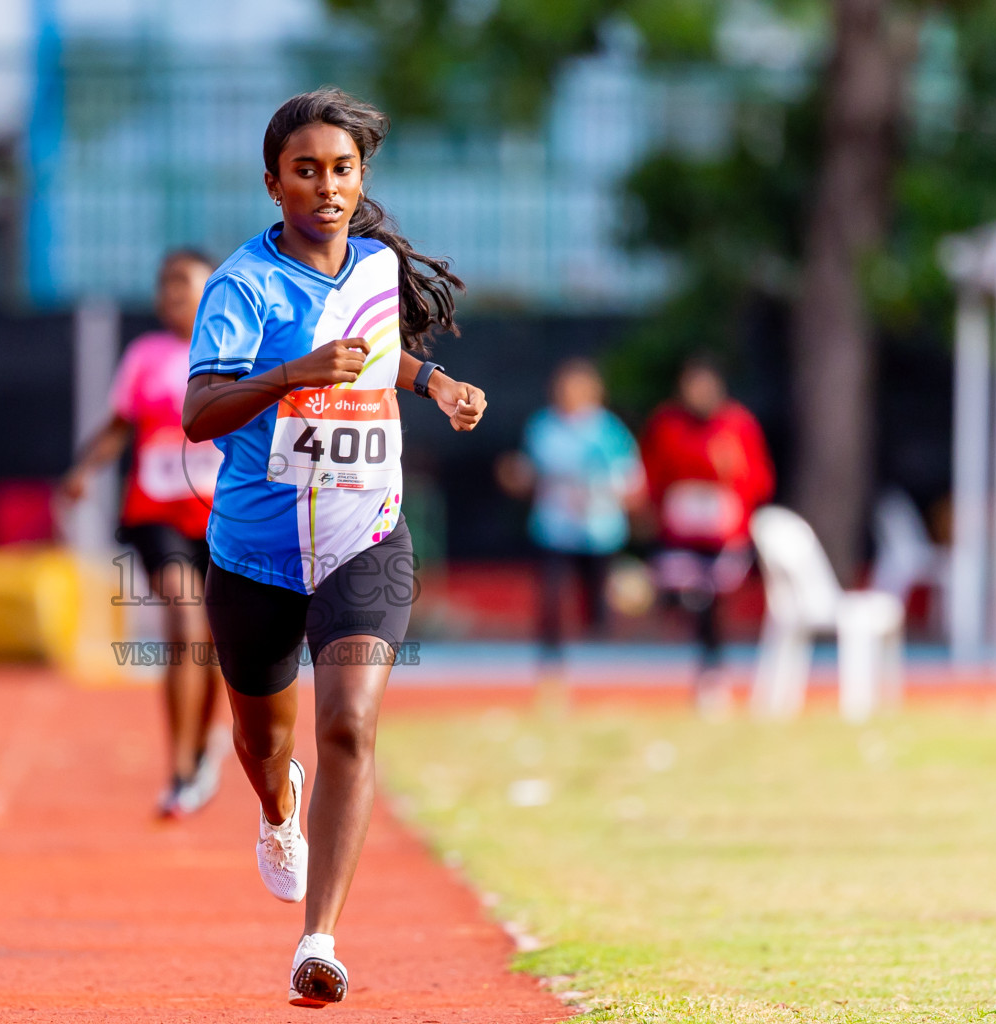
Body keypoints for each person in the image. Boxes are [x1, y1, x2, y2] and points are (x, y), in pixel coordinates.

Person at [182, 88, 487, 1008]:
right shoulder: (243, 285)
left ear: (362, 180)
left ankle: (317, 940)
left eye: (342, 170)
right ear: (273, 181)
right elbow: (198, 414)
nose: (325, 186)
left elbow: (379, 350)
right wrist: (288, 376)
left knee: (350, 720)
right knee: (259, 741)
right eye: (306, 170)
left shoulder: (374, 267)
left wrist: (434, 383)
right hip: (257, 551)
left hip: (367, 536)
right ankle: (280, 809)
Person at [62, 249, 228, 818]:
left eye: (183, 283)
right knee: (184, 623)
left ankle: (204, 749)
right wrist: (84, 471)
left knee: (214, 645)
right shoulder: (145, 356)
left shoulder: (240, 355)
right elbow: (117, 426)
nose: (170, 294)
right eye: (163, 284)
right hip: (157, 514)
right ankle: (180, 769)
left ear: (214, 289)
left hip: (225, 518)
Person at [639, 354, 775, 712]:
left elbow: (761, 481)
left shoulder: (738, 425)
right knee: (690, 597)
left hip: (724, 537)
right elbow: (652, 473)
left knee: (711, 603)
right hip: (679, 535)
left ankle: (712, 674)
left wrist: (735, 472)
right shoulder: (667, 424)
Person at [496, 358, 643, 662]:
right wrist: (516, 477)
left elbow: (631, 481)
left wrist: (606, 493)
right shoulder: (543, 427)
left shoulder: (608, 431)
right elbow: (530, 473)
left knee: (596, 608)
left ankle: (601, 668)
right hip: (555, 528)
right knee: (551, 599)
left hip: (600, 530)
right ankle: (551, 669)